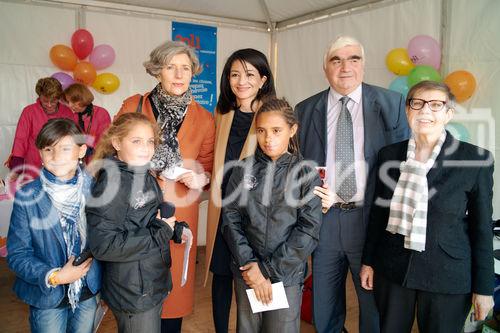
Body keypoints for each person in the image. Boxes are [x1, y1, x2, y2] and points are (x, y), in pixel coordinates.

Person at [295, 35, 410, 333]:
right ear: (325, 68)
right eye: (336, 60)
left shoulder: (391, 104)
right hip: (325, 219)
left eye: (353, 59)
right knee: (325, 304)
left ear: (363, 65)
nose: (345, 67)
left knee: (372, 303)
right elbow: (297, 166)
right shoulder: (305, 110)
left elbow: (403, 167)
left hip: (370, 220)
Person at [360, 81, 494, 333]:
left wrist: (484, 288)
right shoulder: (389, 155)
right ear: (408, 110)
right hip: (393, 268)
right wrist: (368, 261)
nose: (425, 111)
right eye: (417, 103)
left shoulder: (475, 160)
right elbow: (378, 214)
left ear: (448, 113)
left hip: (447, 275)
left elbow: (482, 229)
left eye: (436, 105)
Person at [116, 40, 215, 332]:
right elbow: (113, 152)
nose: (179, 74)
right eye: (171, 67)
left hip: (179, 212)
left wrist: (201, 178)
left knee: (173, 295)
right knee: (137, 289)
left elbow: (207, 167)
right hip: (136, 209)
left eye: (185, 68)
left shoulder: (205, 118)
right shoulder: (134, 104)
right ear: (158, 70)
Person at [222, 98, 323, 333]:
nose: (268, 139)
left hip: (285, 275)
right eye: (261, 131)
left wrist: (267, 272)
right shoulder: (242, 169)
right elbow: (230, 220)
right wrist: (250, 265)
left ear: (292, 129)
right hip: (247, 273)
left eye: (276, 131)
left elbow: (309, 229)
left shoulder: (306, 174)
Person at [86, 112, 189, 333]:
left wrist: (173, 229)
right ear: (116, 143)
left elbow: (144, 220)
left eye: (150, 141)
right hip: (132, 291)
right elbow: (103, 245)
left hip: (149, 284)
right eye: (136, 141)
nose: (146, 148)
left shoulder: (143, 173)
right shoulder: (113, 184)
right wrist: (160, 232)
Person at [204, 48, 276, 333]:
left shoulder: (271, 115)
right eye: (235, 74)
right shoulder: (221, 114)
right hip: (223, 211)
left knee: (254, 279)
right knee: (221, 277)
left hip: (256, 215)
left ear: (263, 79)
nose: (241, 81)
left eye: (249, 74)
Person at [7, 118, 101, 333]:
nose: (57, 157)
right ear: (39, 153)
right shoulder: (28, 195)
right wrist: (56, 276)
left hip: (88, 291)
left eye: (65, 148)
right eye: (48, 149)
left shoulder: (95, 189)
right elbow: (17, 254)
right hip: (48, 296)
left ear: (81, 151)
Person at [6, 77, 74, 180]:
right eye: (45, 101)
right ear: (39, 96)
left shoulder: (67, 112)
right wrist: (16, 169)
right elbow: (20, 140)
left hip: (59, 164)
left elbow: (72, 138)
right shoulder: (29, 111)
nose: (49, 105)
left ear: (59, 98)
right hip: (34, 164)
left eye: (54, 101)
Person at [62, 83, 111, 162]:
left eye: (73, 102)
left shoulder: (101, 113)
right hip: (78, 160)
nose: (70, 105)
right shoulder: (71, 116)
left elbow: (104, 139)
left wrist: (85, 142)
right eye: (68, 102)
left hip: (98, 160)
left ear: (82, 99)